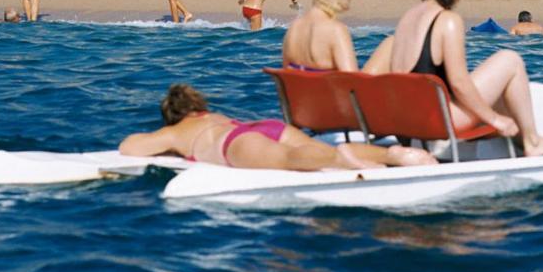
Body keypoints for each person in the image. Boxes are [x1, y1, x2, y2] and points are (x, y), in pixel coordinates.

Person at [367, 0, 543, 157]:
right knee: (510, 60)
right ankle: (532, 142)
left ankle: (520, 143)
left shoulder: (408, 19)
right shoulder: (447, 20)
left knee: (501, 92)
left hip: (408, 126)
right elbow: (459, 83)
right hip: (437, 123)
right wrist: (494, 119)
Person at [119, 80, 435, 173]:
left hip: (235, 145)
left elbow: (129, 147)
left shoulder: (177, 130)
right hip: (261, 126)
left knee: (289, 161)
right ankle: (393, 155)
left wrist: (169, 142)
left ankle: (342, 157)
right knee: (309, 151)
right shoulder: (211, 116)